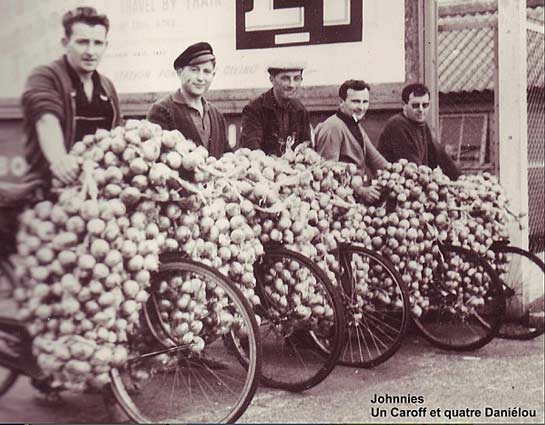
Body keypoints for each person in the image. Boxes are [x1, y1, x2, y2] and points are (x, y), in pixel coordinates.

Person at [21, 6, 122, 189]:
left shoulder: (107, 87)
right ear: (65, 43)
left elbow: (116, 139)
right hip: (49, 186)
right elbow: (46, 119)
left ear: (106, 45)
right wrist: (60, 160)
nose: (91, 51)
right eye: (82, 42)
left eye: (98, 43)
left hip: (97, 187)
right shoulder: (44, 76)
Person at [147, 42, 229, 158]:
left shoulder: (217, 116)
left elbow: (226, 155)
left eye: (206, 72)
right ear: (179, 72)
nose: (200, 78)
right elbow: (154, 155)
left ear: (213, 75)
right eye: (194, 70)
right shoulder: (162, 111)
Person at [315, 80, 388, 203]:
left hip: (356, 197)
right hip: (341, 202)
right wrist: (360, 191)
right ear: (341, 102)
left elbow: (376, 159)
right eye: (355, 101)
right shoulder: (333, 127)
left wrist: (398, 174)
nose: (361, 107)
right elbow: (327, 175)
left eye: (365, 102)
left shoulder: (354, 124)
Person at [377, 83, 461, 180]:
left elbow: (438, 153)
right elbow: (412, 165)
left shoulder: (421, 124)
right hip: (397, 184)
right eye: (415, 105)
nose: (421, 110)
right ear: (404, 105)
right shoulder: (398, 125)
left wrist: (459, 177)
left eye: (425, 105)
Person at [239, 62, 311, 156]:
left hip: (294, 169)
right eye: (285, 78)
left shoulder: (300, 110)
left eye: (296, 78)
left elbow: (306, 144)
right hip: (264, 168)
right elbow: (252, 150)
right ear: (272, 79)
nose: (292, 85)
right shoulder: (254, 110)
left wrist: (304, 149)